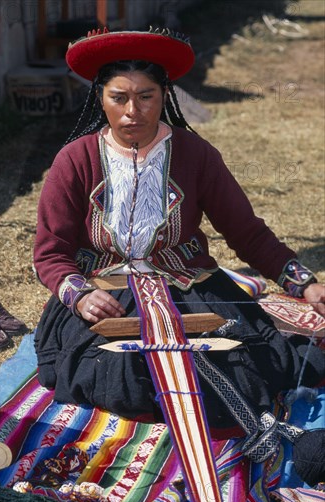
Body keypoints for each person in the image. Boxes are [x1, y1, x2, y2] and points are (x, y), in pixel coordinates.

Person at [33, 29, 324, 433]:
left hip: (189, 286)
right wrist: (79, 296)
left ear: (165, 95)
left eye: (146, 96)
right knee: (121, 377)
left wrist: (304, 284)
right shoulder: (75, 160)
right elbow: (50, 252)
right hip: (106, 294)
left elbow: (247, 233)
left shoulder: (195, 154)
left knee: (242, 368)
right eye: (119, 97)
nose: (132, 111)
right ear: (100, 97)